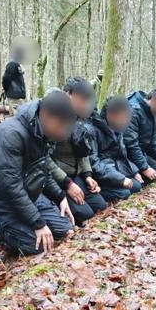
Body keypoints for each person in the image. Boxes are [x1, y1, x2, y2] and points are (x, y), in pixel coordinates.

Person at [0, 91, 76, 256]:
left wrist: (60, 197)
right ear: (45, 115)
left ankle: (22, 221)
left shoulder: (43, 133)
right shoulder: (11, 133)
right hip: (0, 199)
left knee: (65, 230)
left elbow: (42, 170)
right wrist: (37, 223)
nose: (61, 131)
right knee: (38, 246)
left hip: (29, 192)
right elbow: (10, 185)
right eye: (60, 125)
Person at [49, 78, 107, 225]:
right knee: (85, 215)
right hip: (57, 178)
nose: (84, 104)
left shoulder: (80, 117)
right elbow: (44, 159)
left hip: (76, 175)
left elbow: (82, 148)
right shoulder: (53, 115)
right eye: (81, 99)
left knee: (100, 206)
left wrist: (87, 175)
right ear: (69, 94)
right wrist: (67, 184)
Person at [86, 96, 143, 202]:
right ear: (110, 114)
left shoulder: (117, 128)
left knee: (136, 186)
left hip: (112, 171)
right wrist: (121, 180)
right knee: (124, 193)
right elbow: (94, 164)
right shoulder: (93, 130)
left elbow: (121, 156)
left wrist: (134, 171)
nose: (125, 120)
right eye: (122, 116)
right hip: (98, 177)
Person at [125, 86, 156, 182]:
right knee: (144, 180)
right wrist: (145, 168)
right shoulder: (134, 110)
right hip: (126, 155)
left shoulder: (150, 111)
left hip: (141, 152)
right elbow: (130, 144)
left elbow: (153, 140)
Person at [2, 47, 27, 114]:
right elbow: (6, 78)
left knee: (20, 115)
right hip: (14, 97)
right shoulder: (12, 64)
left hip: (18, 96)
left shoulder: (17, 65)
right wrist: (6, 88)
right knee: (17, 116)